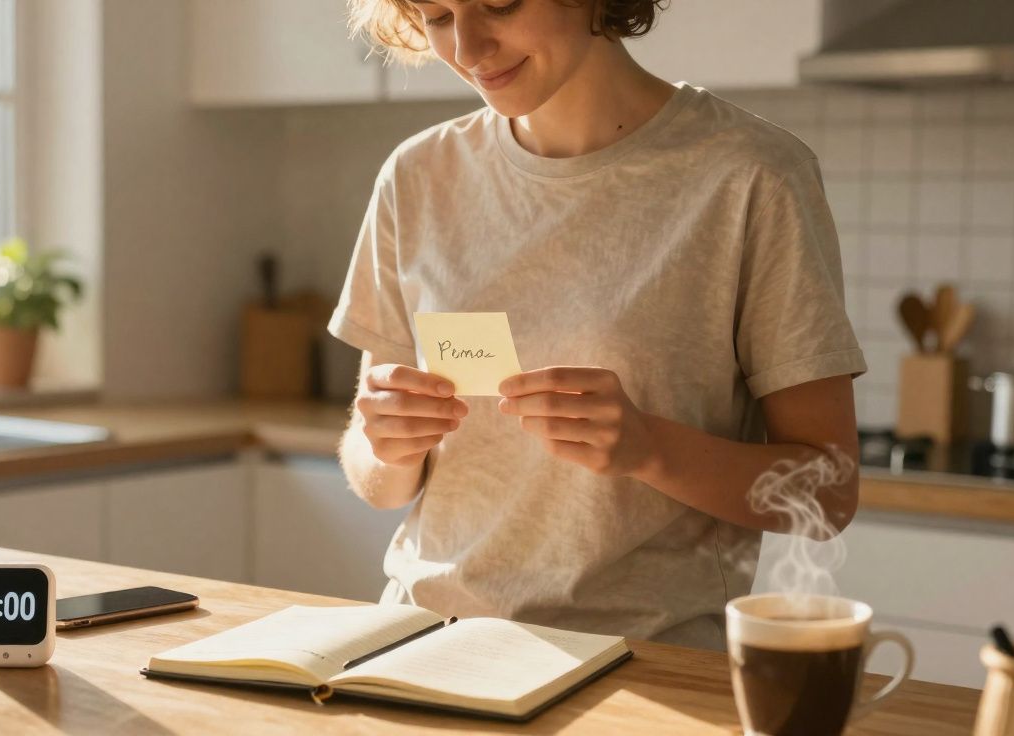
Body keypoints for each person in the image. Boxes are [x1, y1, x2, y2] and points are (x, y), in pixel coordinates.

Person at [328, 0, 866, 650]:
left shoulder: (750, 175)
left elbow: (828, 491)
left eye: (499, 3)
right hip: (428, 645)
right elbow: (376, 479)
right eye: (438, 16)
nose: (468, 48)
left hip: (642, 665)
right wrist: (386, 440)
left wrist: (650, 448)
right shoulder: (416, 176)